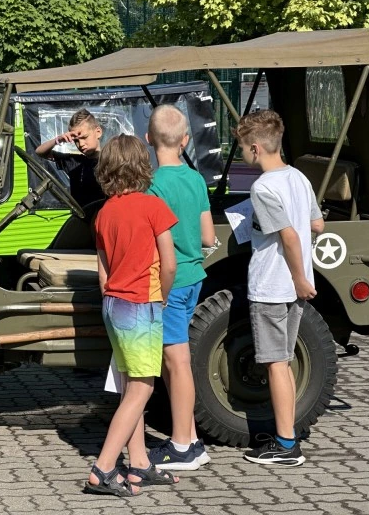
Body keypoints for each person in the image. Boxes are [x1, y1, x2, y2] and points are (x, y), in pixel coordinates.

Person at [85, 134, 178, 497]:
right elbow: (168, 265)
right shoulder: (154, 207)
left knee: (129, 386)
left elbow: (103, 272)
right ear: (143, 166)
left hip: (114, 306)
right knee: (142, 388)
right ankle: (104, 468)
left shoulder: (103, 213)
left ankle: (138, 461)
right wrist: (163, 297)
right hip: (143, 303)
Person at [234, 109, 324, 467]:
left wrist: (298, 275)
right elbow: (315, 224)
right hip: (294, 288)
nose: (241, 153)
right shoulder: (298, 177)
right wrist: (303, 278)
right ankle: (287, 436)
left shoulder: (263, 187)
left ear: (255, 148)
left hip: (273, 286)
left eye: (242, 147)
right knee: (283, 363)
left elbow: (287, 236)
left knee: (274, 364)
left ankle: (286, 446)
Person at [143, 105, 216, 470]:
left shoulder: (154, 187)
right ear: (185, 140)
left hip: (169, 283)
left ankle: (183, 446)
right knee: (174, 363)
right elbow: (208, 236)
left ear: (148, 139)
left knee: (177, 361)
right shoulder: (196, 179)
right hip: (194, 278)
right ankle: (191, 439)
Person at [35, 108, 105, 209]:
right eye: (76, 140)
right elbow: (40, 152)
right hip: (81, 219)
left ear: (98, 132)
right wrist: (58, 140)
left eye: (84, 137)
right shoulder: (74, 162)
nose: (81, 144)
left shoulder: (111, 160)